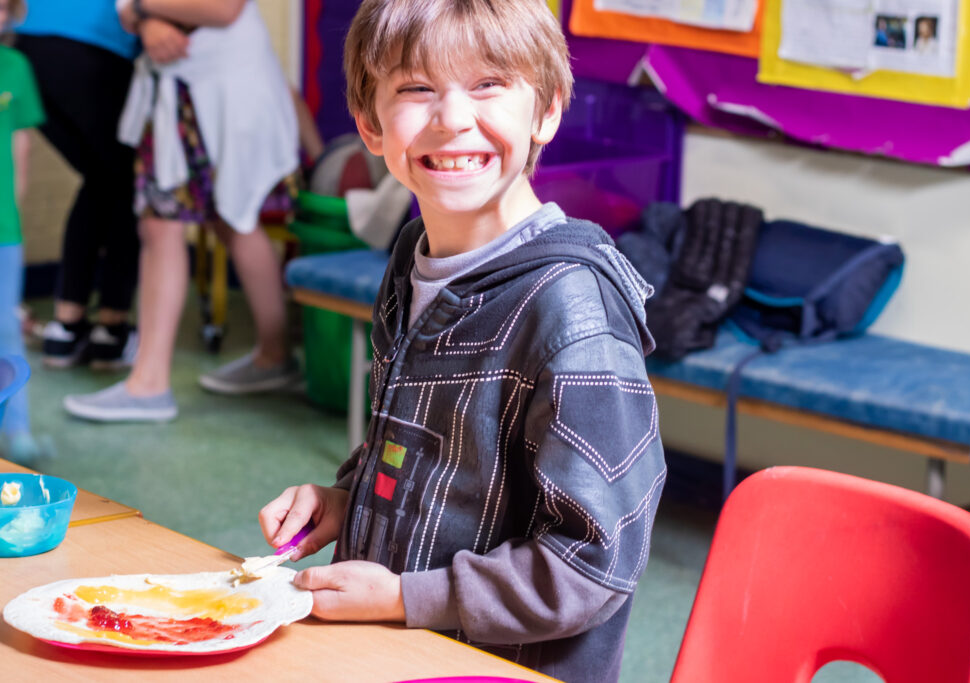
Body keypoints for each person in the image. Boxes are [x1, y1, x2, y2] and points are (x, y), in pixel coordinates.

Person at [258, 2, 666, 682]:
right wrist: (346, 499)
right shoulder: (415, 259)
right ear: (370, 124)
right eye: (416, 89)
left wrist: (402, 596)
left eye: (488, 84)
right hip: (386, 653)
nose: (451, 119)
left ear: (547, 110)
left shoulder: (573, 311)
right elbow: (429, 449)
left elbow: (592, 563)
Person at [63, 0, 301, 422]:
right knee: (199, 224)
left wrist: (142, 9)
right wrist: (147, 17)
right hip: (184, 87)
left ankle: (155, 383)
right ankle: (270, 356)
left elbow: (225, 8)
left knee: (221, 221)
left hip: (220, 84)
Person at [14, 0, 141, 370]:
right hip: (98, 46)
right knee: (124, 185)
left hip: (31, 44)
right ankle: (111, 330)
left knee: (102, 179)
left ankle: (66, 327)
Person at [0, 0, 46, 461]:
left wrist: (12, 210)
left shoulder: (15, 67)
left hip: (2, 230)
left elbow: (21, 147)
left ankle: (18, 433)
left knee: (5, 330)